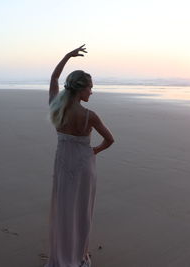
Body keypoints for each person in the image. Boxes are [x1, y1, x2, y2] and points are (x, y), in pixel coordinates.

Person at [45, 45, 115, 267]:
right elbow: (110, 140)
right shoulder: (89, 116)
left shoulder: (56, 107)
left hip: (63, 163)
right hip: (84, 164)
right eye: (90, 88)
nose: (92, 92)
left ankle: (62, 254)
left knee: (64, 209)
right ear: (81, 89)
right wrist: (94, 151)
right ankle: (79, 256)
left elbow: (55, 77)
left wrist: (67, 56)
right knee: (82, 211)